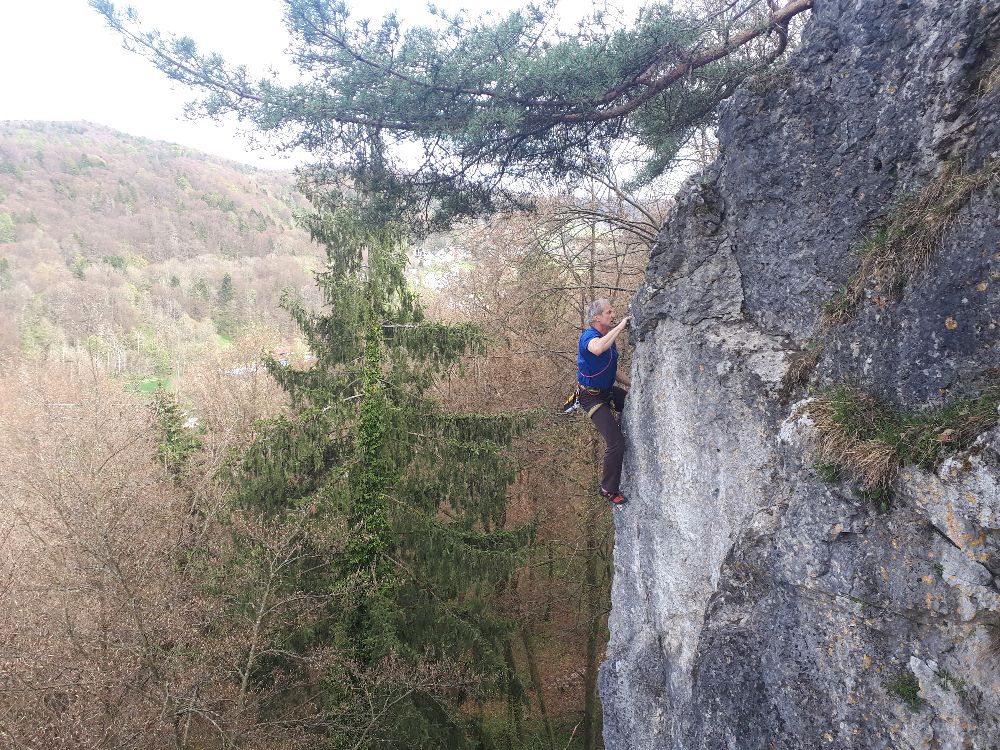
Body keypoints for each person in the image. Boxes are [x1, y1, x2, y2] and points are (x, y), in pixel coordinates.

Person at [577, 299, 631, 505]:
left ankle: (617, 419)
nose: (613, 314)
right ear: (597, 317)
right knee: (616, 443)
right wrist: (619, 327)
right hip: (590, 397)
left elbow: (612, 369)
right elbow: (597, 349)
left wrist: (633, 385)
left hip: (607, 391)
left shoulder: (607, 338)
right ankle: (608, 489)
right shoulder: (589, 337)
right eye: (609, 312)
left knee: (631, 403)